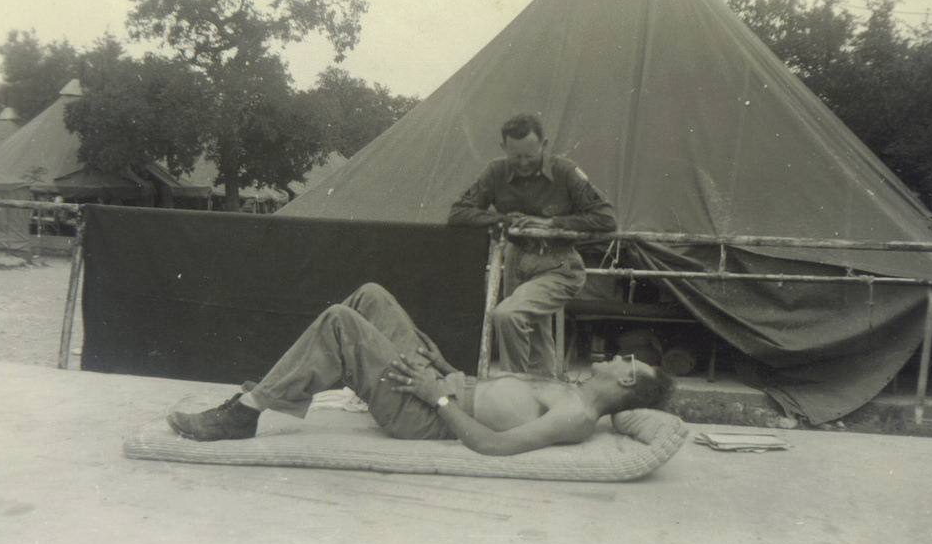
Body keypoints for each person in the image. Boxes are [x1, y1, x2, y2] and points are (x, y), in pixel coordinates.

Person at [167, 283, 674, 456]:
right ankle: (308, 377)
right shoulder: (574, 392)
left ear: (628, 380)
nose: (619, 356)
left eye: (629, 360)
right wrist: (446, 373)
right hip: (442, 386)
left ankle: (245, 412)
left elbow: (492, 445)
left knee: (341, 322)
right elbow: (499, 398)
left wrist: (436, 395)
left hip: (423, 414)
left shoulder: (577, 416)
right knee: (371, 296)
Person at [448, 113, 617, 377]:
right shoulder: (495, 172)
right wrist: (501, 219)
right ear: (503, 149)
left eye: (530, 155)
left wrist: (551, 223)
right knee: (537, 337)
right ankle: (546, 397)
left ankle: (513, 390)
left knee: (507, 315)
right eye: (516, 157)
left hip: (558, 264)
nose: (524, 164)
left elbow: (606, 218)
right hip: (516, 262)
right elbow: (458, 212)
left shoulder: (566, 171)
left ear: (544, 145)